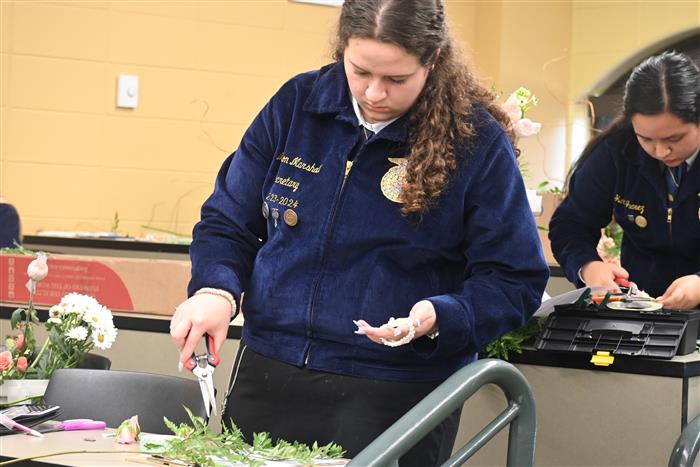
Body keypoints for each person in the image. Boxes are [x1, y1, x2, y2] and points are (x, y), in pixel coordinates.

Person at [170, 0, 548, 464]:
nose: (374, 92)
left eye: (397, 79)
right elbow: (228, 221)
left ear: (432, 61)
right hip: (271, 366)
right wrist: (215, 290)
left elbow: (513, 279)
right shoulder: (297, 105)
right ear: (342, 49)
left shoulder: (476, 141)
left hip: (396, 387)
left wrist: (439, 316)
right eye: (360, 71)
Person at [549, 51, 700, 309]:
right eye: (646, 139)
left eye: (674, 139)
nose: (661, 151)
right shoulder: (616, 152)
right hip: (642, 308)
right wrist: (588, 266)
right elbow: (570, 225)